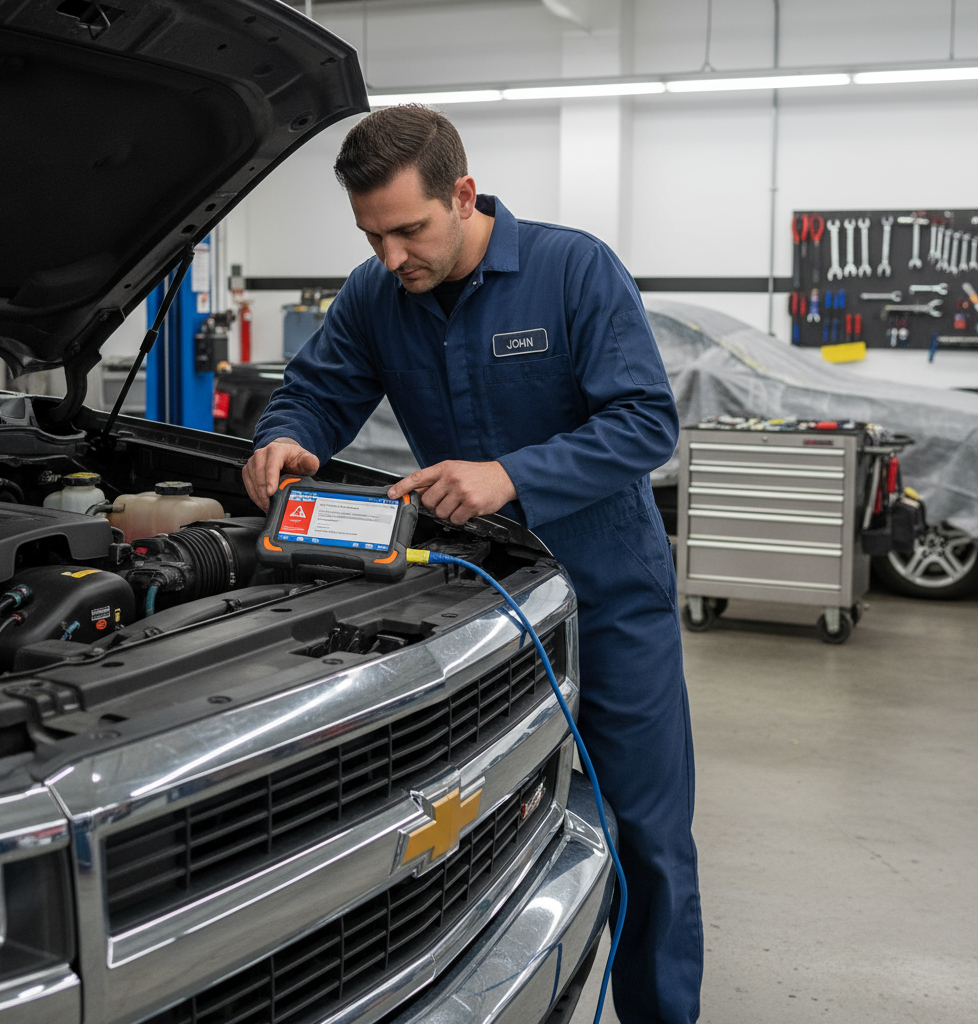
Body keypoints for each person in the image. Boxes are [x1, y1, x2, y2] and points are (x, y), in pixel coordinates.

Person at [243, 105, 703, 1024]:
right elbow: (319, 391)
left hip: (608, 600)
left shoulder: (574, 270)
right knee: (480, 826)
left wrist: (510, 475)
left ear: (463, 194)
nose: (389, 257)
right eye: (371, 235)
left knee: (647, 838)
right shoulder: (377, 295)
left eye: (408, 230)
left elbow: (647, 424)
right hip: (483, 606)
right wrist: (285, 440)